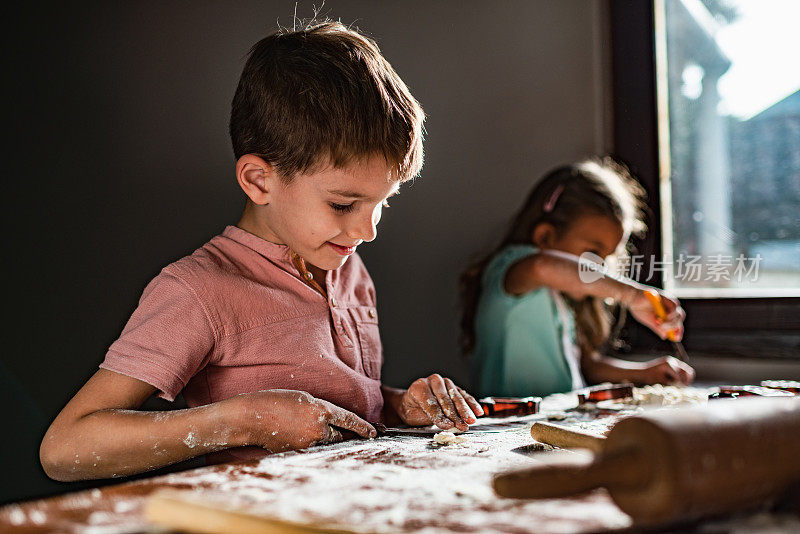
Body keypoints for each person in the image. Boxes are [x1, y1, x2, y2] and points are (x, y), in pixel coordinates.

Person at [40, 21, 483, 482]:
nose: (367, 230)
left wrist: (397, 405)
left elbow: (345, 404)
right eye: (343, 203)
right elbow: (66, 447)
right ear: (258, 180)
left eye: (382, 203)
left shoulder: (348, 267)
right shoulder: (199, 291)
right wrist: (241, 420)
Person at [460, 158, 695, 398]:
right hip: (505, 425)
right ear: (546, 237)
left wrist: (646, 373)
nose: (601, 267)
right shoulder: (512, 269)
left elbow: (589, 366)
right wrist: (632, 295)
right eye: (593, 254)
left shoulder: (563, 301)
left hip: (554, 423)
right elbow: (544, 266)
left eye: (606, 258)